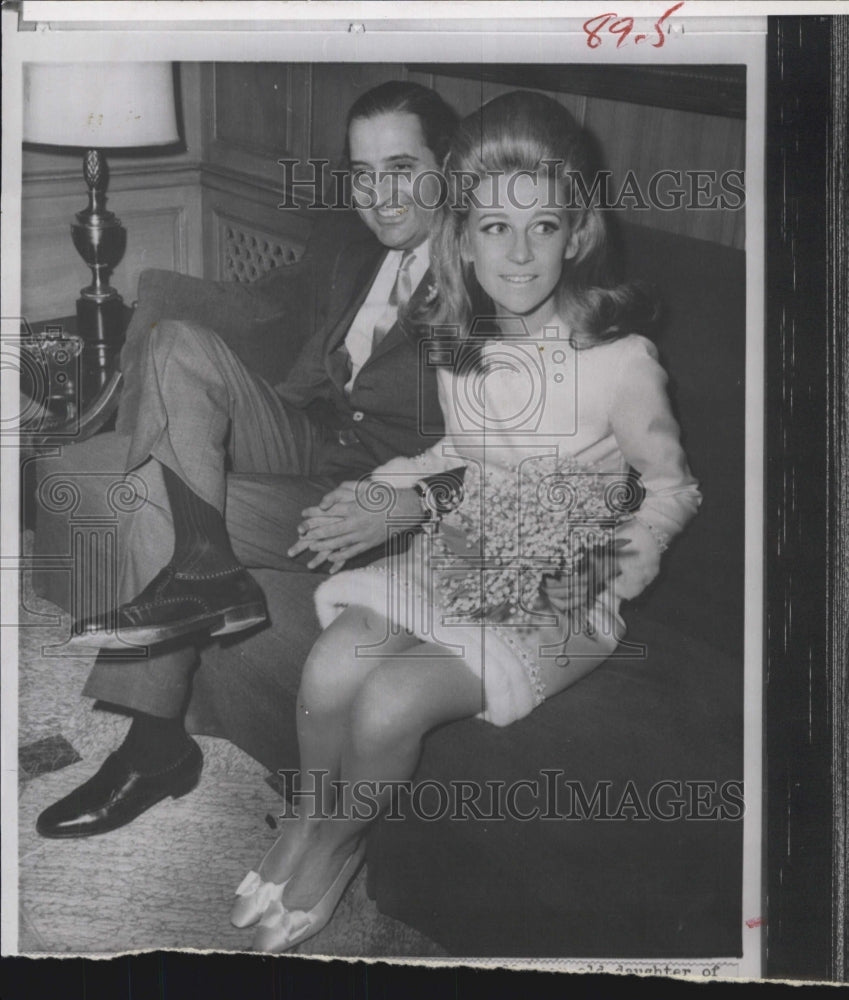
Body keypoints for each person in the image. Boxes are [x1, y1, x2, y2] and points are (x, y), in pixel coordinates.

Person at [228, 90, 703, 952]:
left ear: (577, 230)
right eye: (492, 227)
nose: (518, 254)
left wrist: (602, 571)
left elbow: (668, 489)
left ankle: (337, 847)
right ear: (465, 233)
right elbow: (460, 451)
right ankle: (303, 823)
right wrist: (388, 488)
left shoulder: (620, 359)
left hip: (566, 586)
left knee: (389, 701)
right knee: (332, 663)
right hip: (465, 546)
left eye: (542, 226)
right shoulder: (460, 343)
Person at [35, 81, 460, 839]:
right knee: (173, 345)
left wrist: (418, 500)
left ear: (448, 166)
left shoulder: (488, 271)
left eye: (401, 169)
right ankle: (203, 580)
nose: (379, 195)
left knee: (155, 498)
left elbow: (525, 449)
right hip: (310, 436)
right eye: (362, 174)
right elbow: (291, 333)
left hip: (380, 494)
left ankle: (154, 743)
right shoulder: (355, 247)